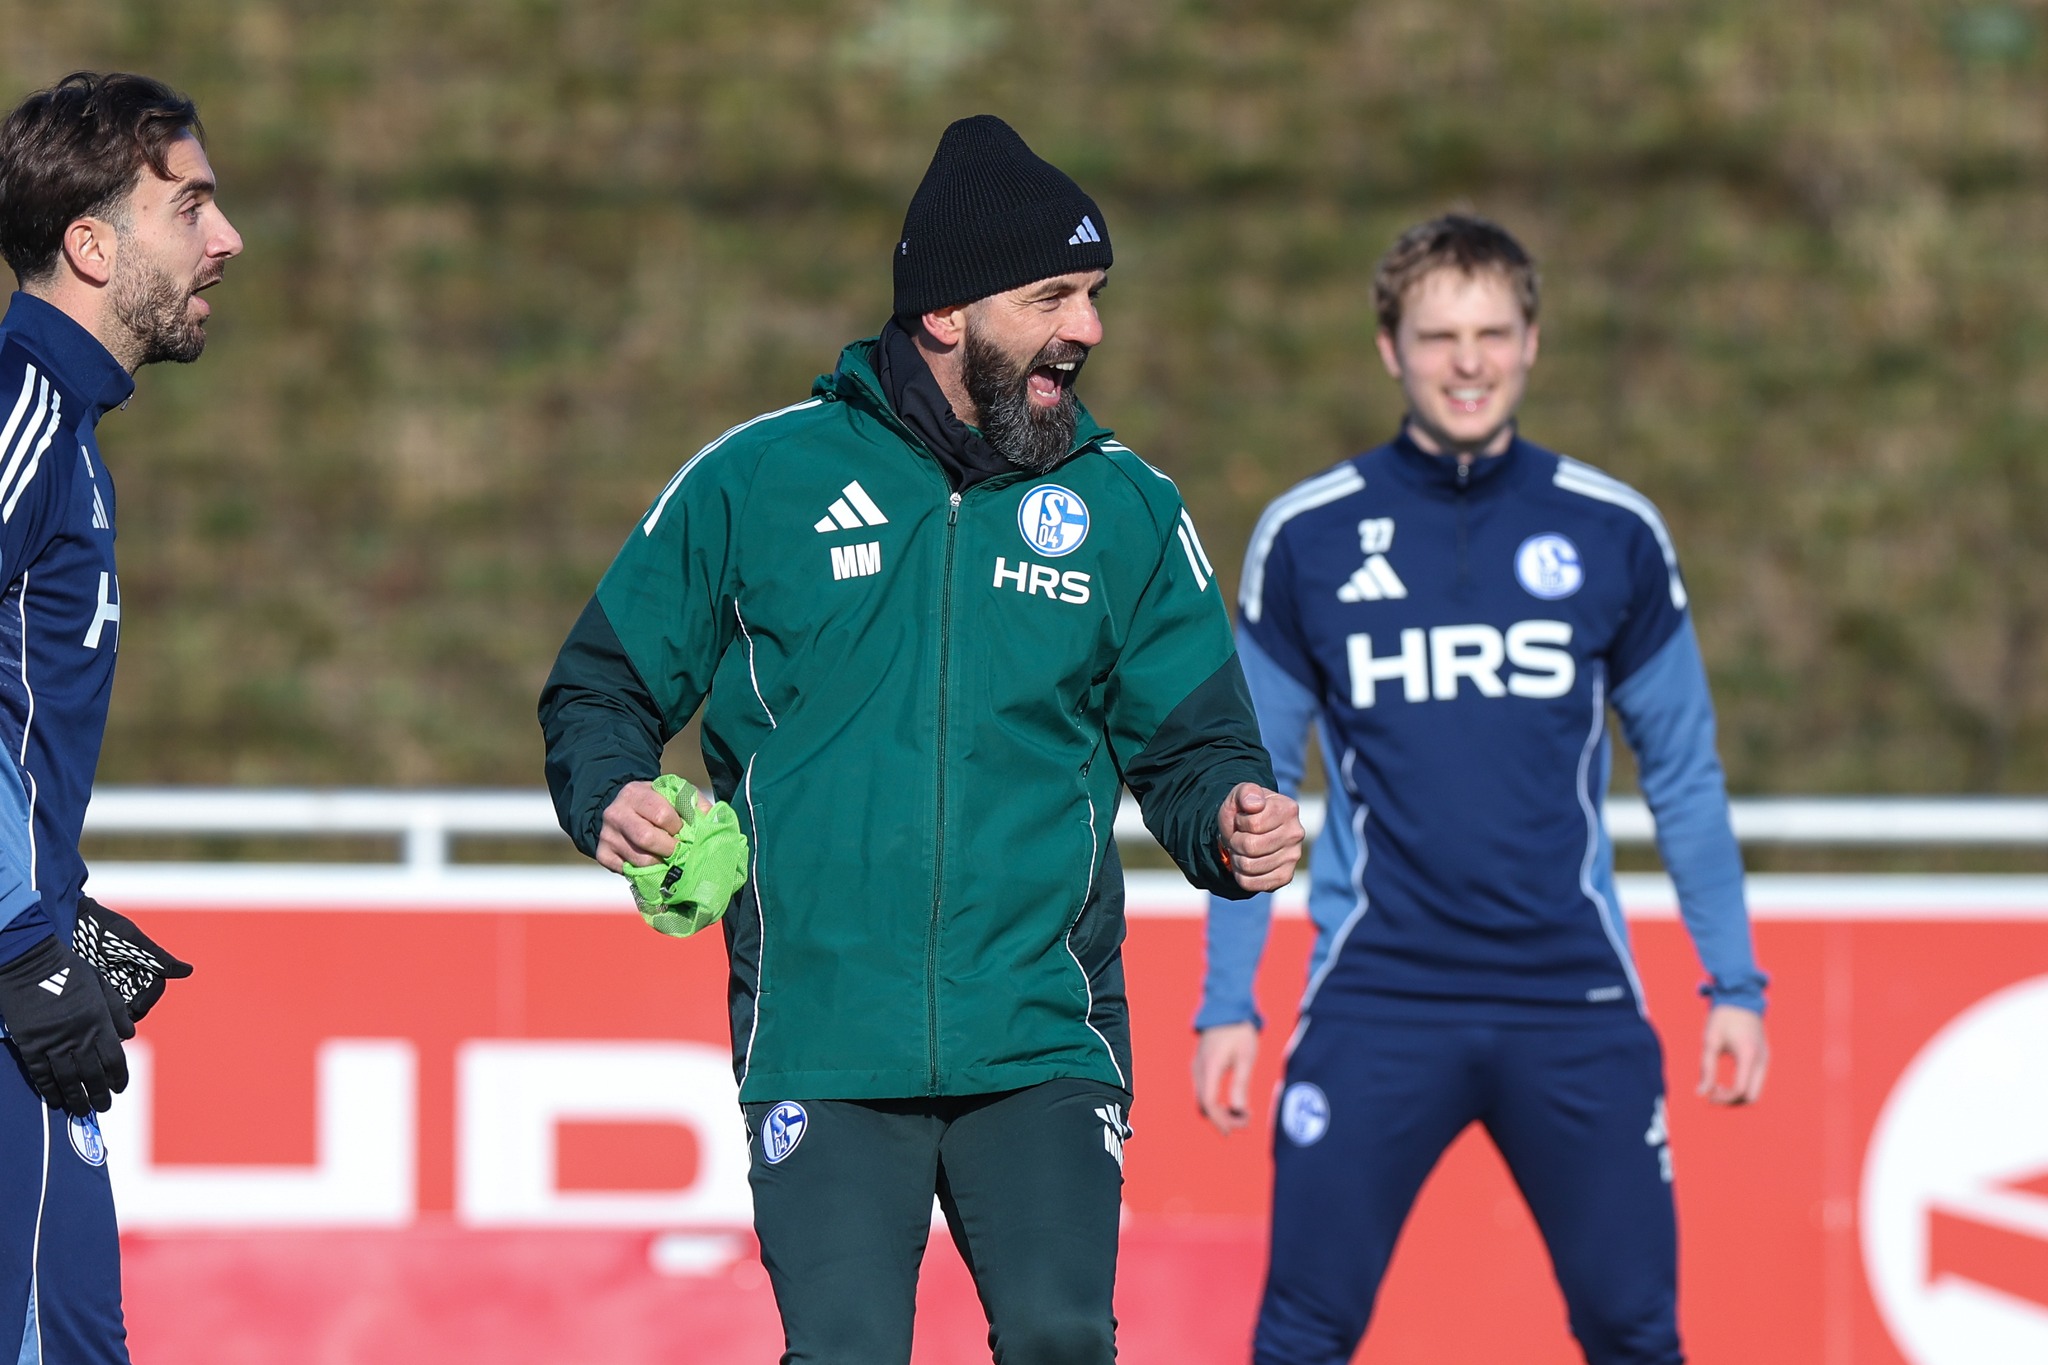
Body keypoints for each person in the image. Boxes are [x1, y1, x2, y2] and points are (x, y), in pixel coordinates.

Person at [542, 114, 1303, 1364]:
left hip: (1043, 1032)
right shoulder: (754, 482)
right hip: (823, 1033)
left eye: (1095, 295)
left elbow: (1193, 744)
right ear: (945, 311)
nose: (1088, 329)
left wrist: (1230, 816)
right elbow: (599, 687)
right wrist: (614, 789)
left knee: (1061, 1338)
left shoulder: (1124, 504)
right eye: (1052, 295)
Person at [1191, 214, 1768, 1365]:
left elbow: (1685, 778)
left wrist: (1733, 979)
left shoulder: (1612, 533)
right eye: (1438, 334)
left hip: (1572, 1001)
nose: (1467, 360)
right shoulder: (1307, 537)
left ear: (1531, 344)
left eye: (1492, 333)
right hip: (1376, 999)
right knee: (1302, 1330)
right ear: (1387, 350)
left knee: (1632, 1329)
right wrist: (1227, 999)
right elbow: (1245, 788)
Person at [0, 71, 236, 1364]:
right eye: (189, 205)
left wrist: (53, 900)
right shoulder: (23, 410)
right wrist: (22, 941)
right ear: (90, 245)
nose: (226, 238)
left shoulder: (62, 424)